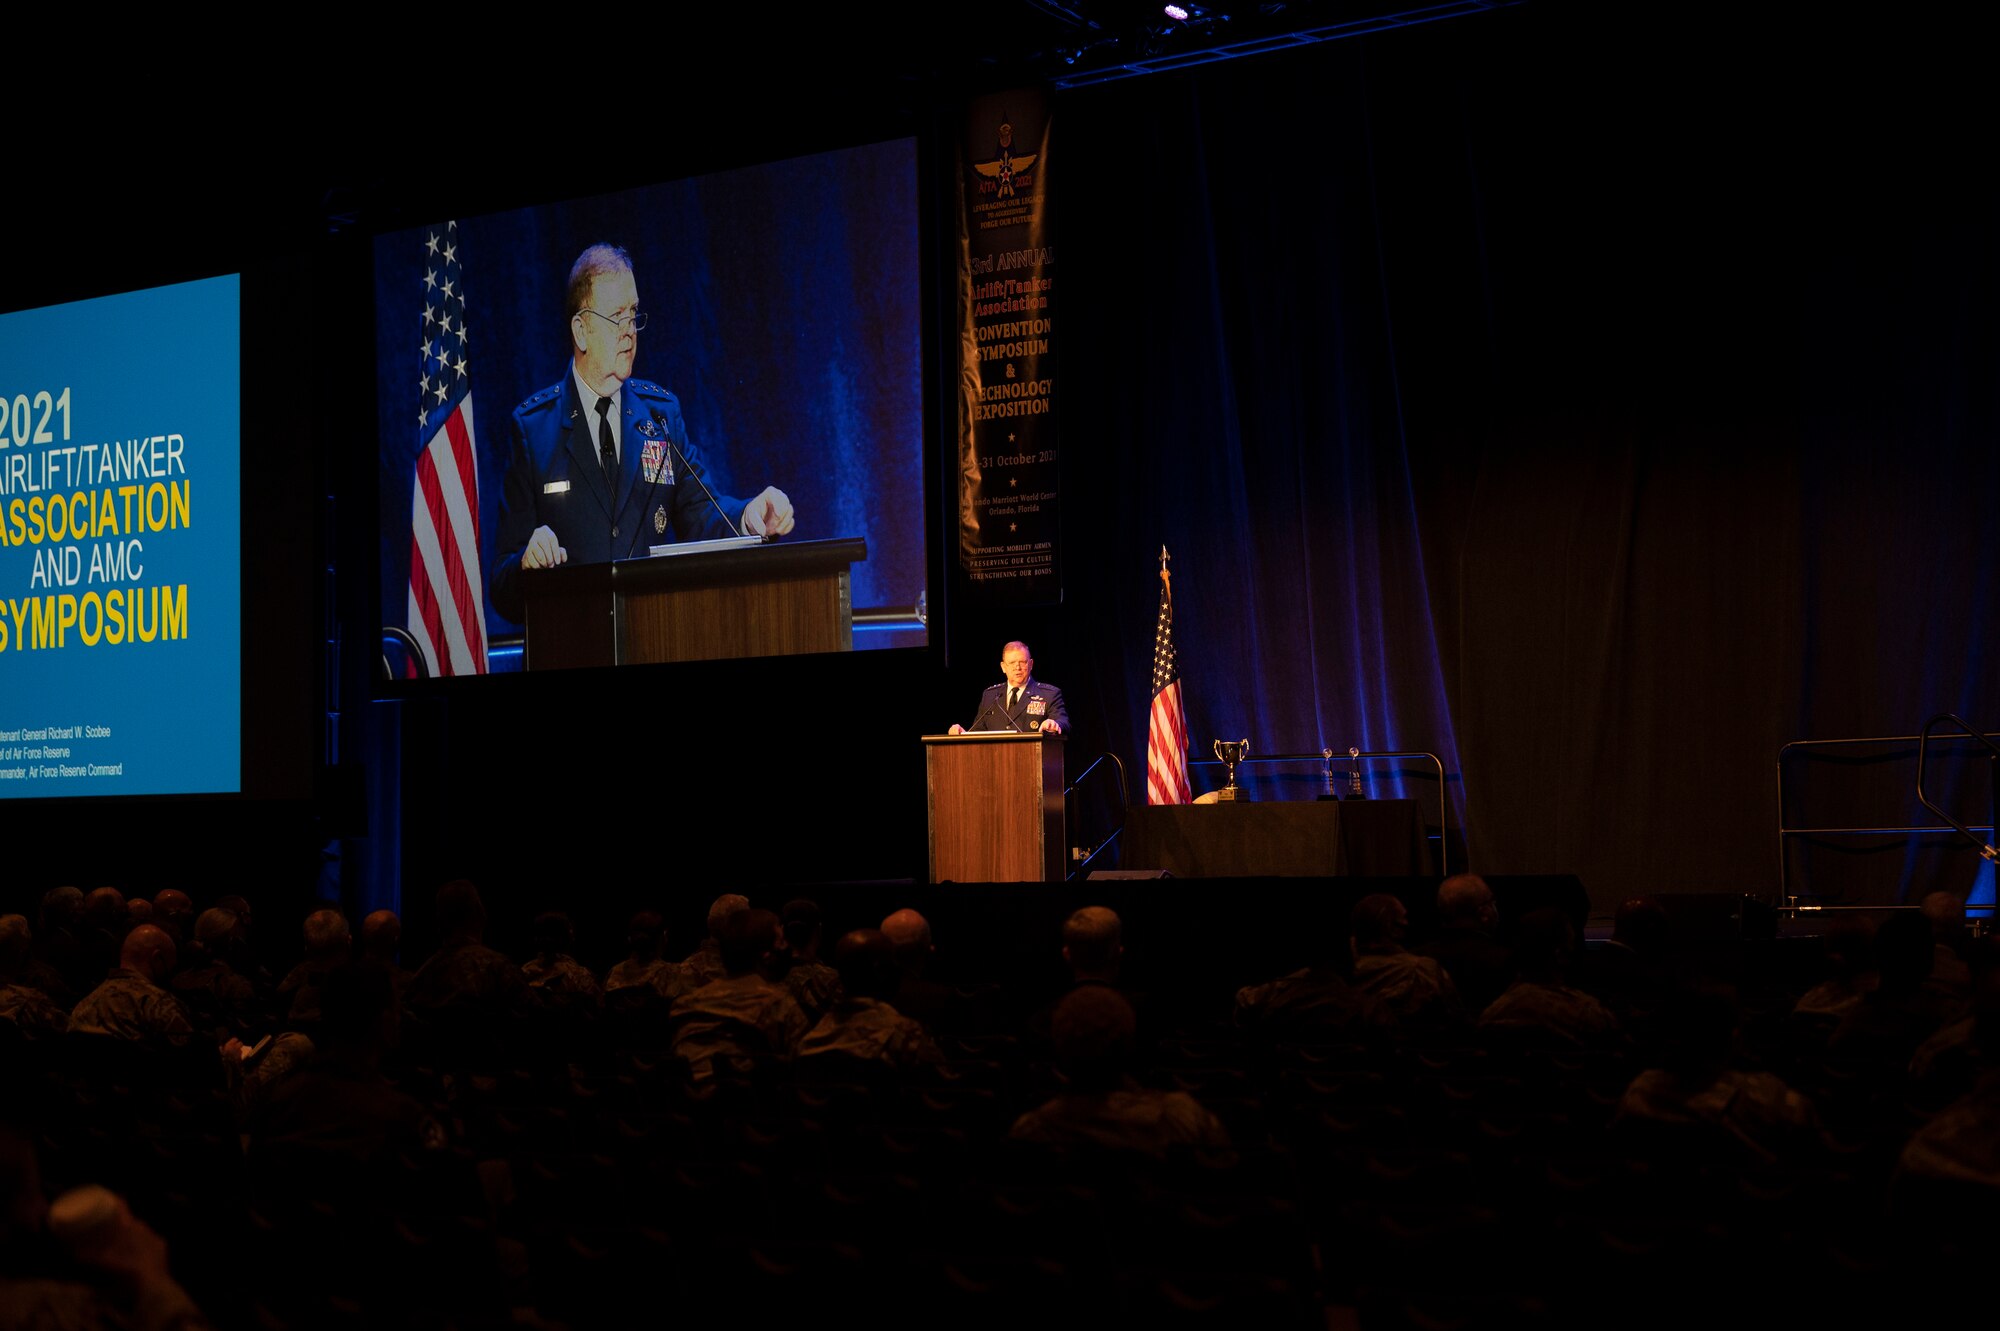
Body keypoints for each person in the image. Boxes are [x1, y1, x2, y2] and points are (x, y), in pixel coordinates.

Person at [491, 243, 796, 622]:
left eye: (633, 315)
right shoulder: (533, 429)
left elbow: (703, 513)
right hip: (568, 645)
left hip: (652, 639)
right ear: (581, 331)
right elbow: (501, 586)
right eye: (616, 317)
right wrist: (527, 563)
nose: (630, 332)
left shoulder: (660, 416)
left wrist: (751, 517)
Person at [949, 640, 1068, 735]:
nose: (1018, 667)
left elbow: (1063, 722)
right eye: (1012, 663)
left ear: (1031, 664)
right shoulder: (990, 696)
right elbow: (978, 731)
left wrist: (1053, 723)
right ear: (1003, 667)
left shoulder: (1049, 694)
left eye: (1022, 662)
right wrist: (962, 733)